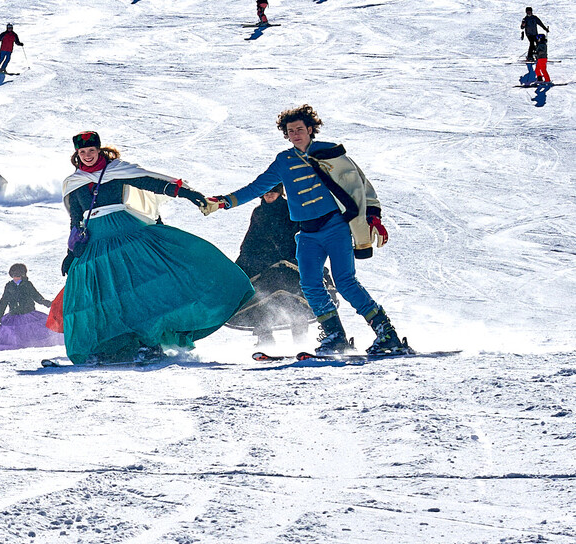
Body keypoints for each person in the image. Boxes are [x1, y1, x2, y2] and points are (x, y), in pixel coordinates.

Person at [203, 105, 405, 356]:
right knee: (310, 285)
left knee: (345, 282)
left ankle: (387, 334)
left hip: (335, 227)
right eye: (290, 131)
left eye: (300, 129)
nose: (296, 134)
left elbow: (360, 184)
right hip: (307, 234)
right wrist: (225, 201)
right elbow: (256, 187)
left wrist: (373, 216)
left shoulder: (330, 154)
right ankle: (335, 337)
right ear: (286, 135)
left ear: (311, 130)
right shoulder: (283, 161)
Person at [60, 131, 251, 364]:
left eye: (92, 151)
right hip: (96, 241)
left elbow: (152, 183)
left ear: (99, 150)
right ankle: (109, 347)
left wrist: (190, 195)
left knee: (138, 291)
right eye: (83, 152)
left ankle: (149, 344)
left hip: (125, 233)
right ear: (77, 155)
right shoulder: (74, 182)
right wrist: (71, 254)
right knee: (100, 296)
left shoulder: (117, 171)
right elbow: (76, 221)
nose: (88, 156)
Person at [225, 185, 317, 347]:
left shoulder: (291, 209)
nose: (269, 195)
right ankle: (266, 340)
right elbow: (251, 239)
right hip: (263, 263)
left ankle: (300, 341)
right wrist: (244, 261)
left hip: (289, 262)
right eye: (266, 192)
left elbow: (299, 234)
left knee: (296, 297)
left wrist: (293, 257)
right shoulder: (259, 213)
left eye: (273, 192)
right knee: (260, 297)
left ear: (280, 193)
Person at [0, 263, 62, 351]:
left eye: (18, 276)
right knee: (16, 333)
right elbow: (4, 300)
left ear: (22, 275)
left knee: (32, 331)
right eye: (14, 276)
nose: (16, 278)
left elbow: (36, 296)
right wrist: (0, 314)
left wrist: (46, 303)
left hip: (28, 313)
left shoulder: (27, 284)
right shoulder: (9, 286)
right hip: (14, 314)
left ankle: (33, 346)